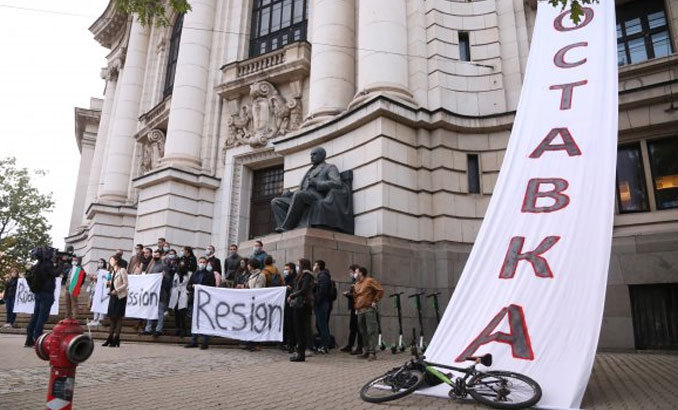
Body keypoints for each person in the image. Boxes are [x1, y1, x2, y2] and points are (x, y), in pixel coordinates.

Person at [25, 247, 59, 347]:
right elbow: (55, 273)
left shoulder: (37, 265)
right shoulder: (47, 265)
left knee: (35, 316)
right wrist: (60, 265)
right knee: (41, 317)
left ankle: (29, 339)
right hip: (46, 294)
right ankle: (38, 339)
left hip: (39, 293)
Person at [185, 257, 216, 349]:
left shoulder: (209, 275)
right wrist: (192, 286)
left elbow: (212, 287)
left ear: (206, 264)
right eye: (200, 262)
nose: (202, 263)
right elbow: (188, 286)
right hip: (194, 299)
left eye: (203, 262)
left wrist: (202, 287)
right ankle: (194, 340)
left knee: (205, 320)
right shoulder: (194, 274)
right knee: (194, 320)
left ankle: (205, 341)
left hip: (204, 302)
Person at [354, 267, 384, 361]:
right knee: (363, 331)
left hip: (368, 309)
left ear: (361, 273)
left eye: (356, 272)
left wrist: (375, 300)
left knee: (371, 330)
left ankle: (372, 352)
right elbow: (356, 297)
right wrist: (356, 307)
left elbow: (380, 290)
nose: (355, 274)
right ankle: (366, 351)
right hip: (360, 310)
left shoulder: (369, 281)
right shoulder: (357, 284)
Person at [288, 258, 314, 362]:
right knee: (299, 329)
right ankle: (300, 351)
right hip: (300, 305)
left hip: (302, 305)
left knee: (300, 329)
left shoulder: (307, 275)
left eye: (299, 265)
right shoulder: (303, 275)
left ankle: (301, 353)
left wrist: (292, 295)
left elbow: (303, 289)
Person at [103, 255, 128, 347]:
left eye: (112, 260)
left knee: (118, 317)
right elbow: (111, 283)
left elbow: (126, 284)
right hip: (112, 296)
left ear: (116, 261)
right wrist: (108, 284)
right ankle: (109, 338)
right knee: (112, 317)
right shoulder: (112, 271)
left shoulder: (122, 270)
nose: (110, 262)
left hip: (120, 296)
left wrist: (117, 290)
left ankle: (116, 338)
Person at [143, 249, 169, 336]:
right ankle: (148, 328)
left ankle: (159, 329)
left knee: (160, 312)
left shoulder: (164, 266)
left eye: (157, 255)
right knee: (150, 310)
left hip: (161, 292)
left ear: (161, 256)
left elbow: (168, 280)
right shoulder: (151, 266)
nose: (155, 257)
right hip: (152, 292)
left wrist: (164, 277)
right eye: (154, 255)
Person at [340, 264, 363, 354]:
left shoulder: (359, 282)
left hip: (358, 307)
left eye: (352, 272)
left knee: (358, 328)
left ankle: (359, 347)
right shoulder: (354, 281)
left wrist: (347, 294)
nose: (351, 274)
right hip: (354, 307)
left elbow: (357, 295)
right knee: (352, 327)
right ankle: (350, 345)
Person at [168, 250, 190, 337]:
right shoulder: (176, 274)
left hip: (184, 294)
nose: (181, 266)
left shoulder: (188, 274)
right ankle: (178, 329)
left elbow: (188, 284)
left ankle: (183, 329)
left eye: (183, 264)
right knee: (176, 313)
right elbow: (173, 284)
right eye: (180, 264)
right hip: (176, 294)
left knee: (182, 314)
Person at [313, 260, 332, 353]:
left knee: (322, 325)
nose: (314, 266)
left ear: (318, 266)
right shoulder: (321, 276)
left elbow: (322, 291)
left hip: (322, 304)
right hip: (321, 303)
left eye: (315, 265)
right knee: (320, 324)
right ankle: (324, 344)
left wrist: (316, 300)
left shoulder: (323, 276)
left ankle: (325, 345)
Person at [86, 259, 108, 327]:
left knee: (101, 304)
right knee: (95, 304)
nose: (100, 264)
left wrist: (97, 279)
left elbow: (105, 280)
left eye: (101, 262)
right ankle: (95, 319)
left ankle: (100, 319)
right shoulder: (97, 271)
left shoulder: (106, 272)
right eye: (99, 262)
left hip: (102, 290)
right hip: (95, 289)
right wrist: (92, 278)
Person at [282, 263, 297, 351]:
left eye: (287, 269)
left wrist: (290, 289)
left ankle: (292, 344)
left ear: (291, 270)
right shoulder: (286, 278)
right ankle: (288, 343)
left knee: (292, 324)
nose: (285, 271)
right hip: (287, 304)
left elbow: (296, 288)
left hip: (292, 304)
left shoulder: (294, 278)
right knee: (287, 323)